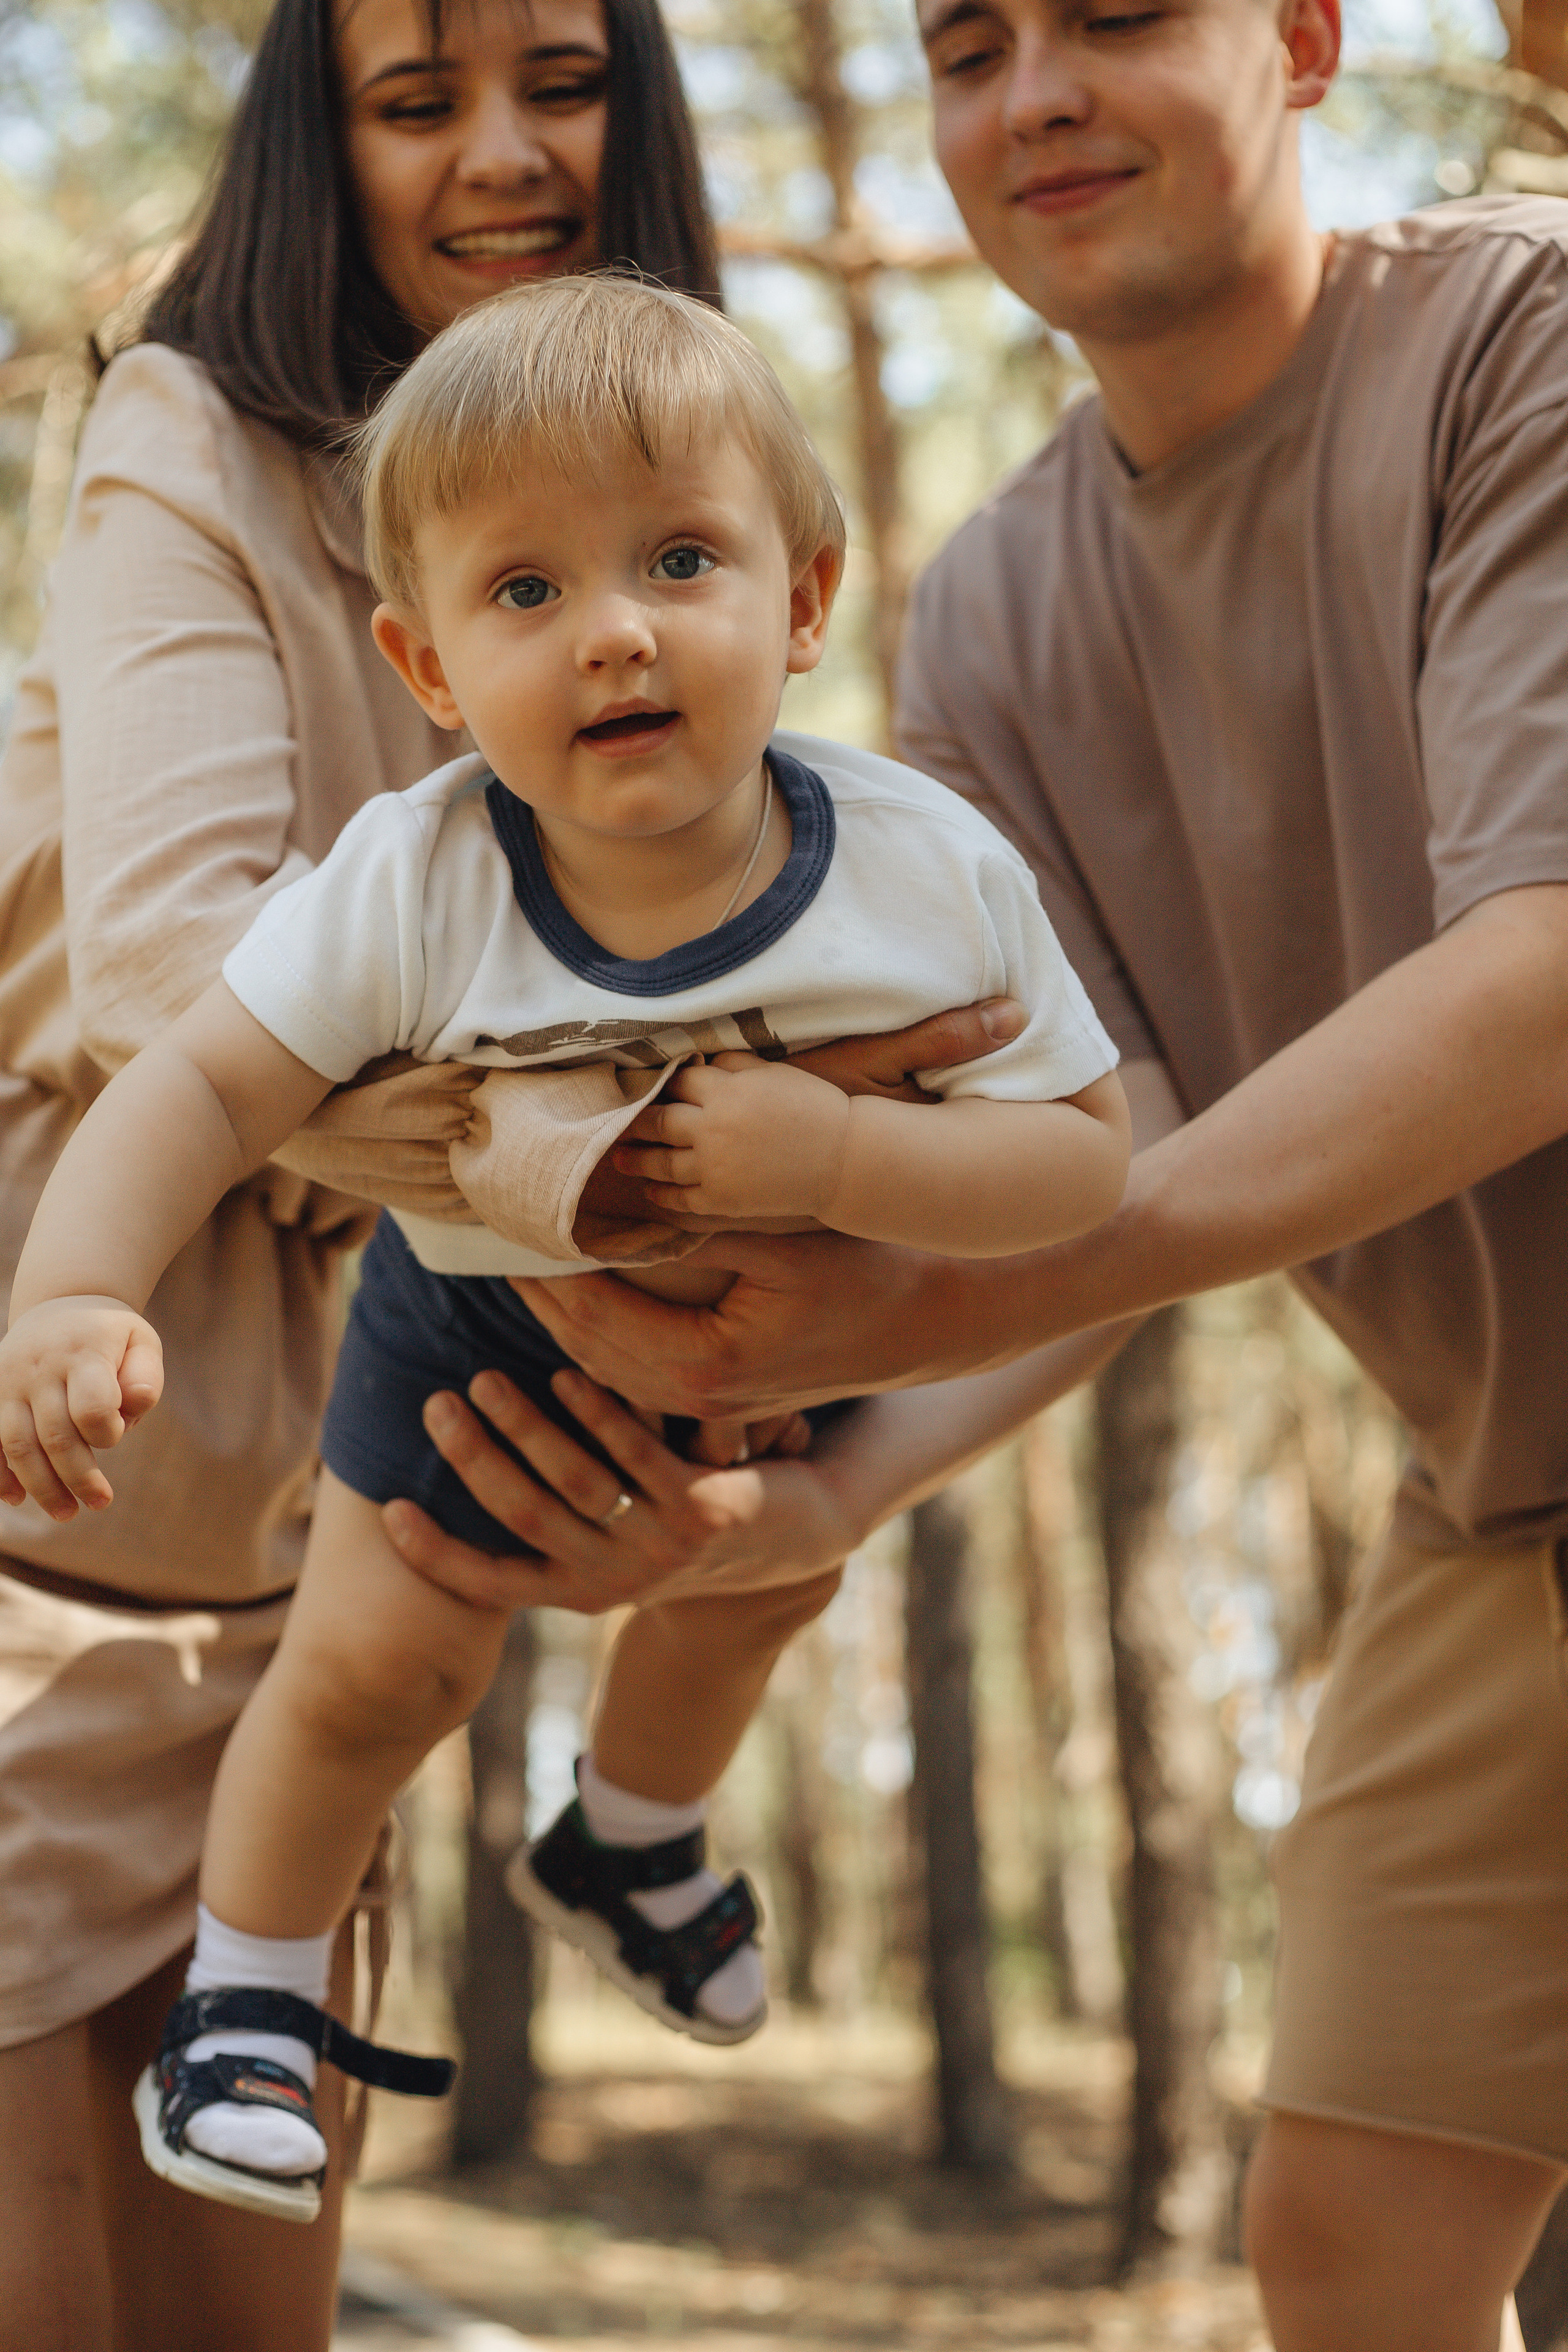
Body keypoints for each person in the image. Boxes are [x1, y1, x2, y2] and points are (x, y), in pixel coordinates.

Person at [382, 6, 1568, 2347]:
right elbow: (1069, 1196)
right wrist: (821, 1502)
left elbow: (1543, 970)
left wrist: (954, 1296)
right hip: (1504, 1490)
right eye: (966, 44)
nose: (1034, 96)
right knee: (1352, 2245)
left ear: (1310, 41)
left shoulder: (1518, 333)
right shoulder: (1007, 607)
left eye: (1117, 15)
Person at [0, 2, 1027, 2342]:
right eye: (411, 98)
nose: (501, 157)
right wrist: (626, 1174)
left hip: (348, 1521)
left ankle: (643, 1833)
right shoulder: (192, 433)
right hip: (68, 1518)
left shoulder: (670, 493)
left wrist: (838, 1173)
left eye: (562, 85)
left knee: (237, 2279)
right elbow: (175, 978)